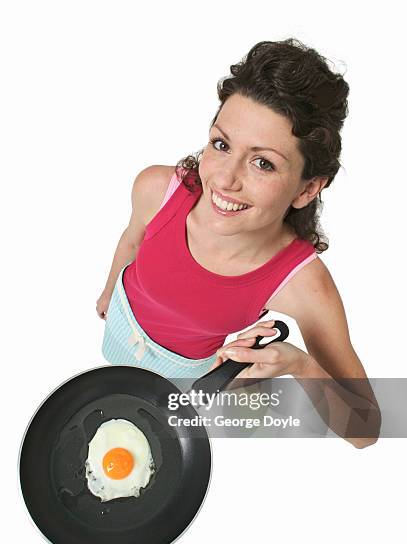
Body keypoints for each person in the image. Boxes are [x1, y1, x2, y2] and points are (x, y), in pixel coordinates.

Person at [96, 38, 381, 447]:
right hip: (121, 325)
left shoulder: (303, 286)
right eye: (221, 144)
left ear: (308, 188)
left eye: (263, 162)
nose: (225, 180)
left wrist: (301, 366)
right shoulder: (156, 189)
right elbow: (132, 239)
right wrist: (109, 292)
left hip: (189, 370)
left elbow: (365, 429)